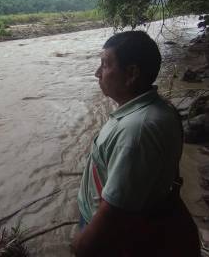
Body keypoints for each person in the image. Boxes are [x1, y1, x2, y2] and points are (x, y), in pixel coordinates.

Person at [71, 31, 200, 257]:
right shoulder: (159, 108)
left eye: (105, 64)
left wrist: (81, 245)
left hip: (107, 233)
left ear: (131, 73)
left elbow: (113, 214)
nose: (97, 73)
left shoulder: (136, 132)